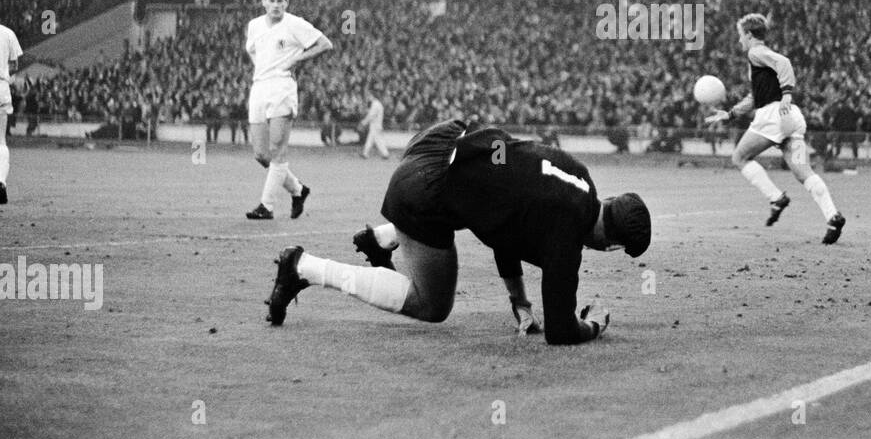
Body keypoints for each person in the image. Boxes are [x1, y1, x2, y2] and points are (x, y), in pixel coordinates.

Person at [264, 119, 652, 346]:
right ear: (614, 245)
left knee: (481, 200)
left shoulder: (579, 176)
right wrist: (595, 324)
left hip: (437, 144)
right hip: (422, 191)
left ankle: (384, 238)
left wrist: (519, 301)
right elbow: (561, 332)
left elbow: (509, 225)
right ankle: (305, 268)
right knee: (432, 306)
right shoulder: (568, 238)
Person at [705, 13, 846, 244]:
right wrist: (730, 114)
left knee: (740, 157)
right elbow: (754, 97)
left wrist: (788, 93)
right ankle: (833, 216)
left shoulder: (755, 52)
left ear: (749, 35)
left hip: (773, 117)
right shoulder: (758, 62)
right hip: (790, 119)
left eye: (740, 35)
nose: (739, 40)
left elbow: (784, 63)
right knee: (804, 173)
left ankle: (776, 198)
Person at [243, 0, 333, 220]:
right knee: (262, 155)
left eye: (280, 1)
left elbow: (325, 44)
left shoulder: (295, 24)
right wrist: (264, 70)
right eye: (271, 1)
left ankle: (267, 206)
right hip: (259, 87)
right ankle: (298, 190)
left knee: (277, 150)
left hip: (282, 87)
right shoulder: (254, 26)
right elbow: (252, 51)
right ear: (263, 2)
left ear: (286, 3)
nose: (275, 5)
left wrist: (296, 60)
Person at [0, 21, 22, 204]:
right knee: (1, 141)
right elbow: (15, 65)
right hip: (1, 88)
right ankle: (1, 182)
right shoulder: (8, 33)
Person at [358, 87, 391, 159]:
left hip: (375, 125)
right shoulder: (377, 104)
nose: (368, 97)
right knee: (371, 140)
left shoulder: (375, 104)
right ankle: (365, 153)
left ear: (372, 96)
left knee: (378, 140)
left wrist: (363, 122)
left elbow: (371, 116)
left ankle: (385, 154)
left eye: (369, 96)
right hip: (375, 125)